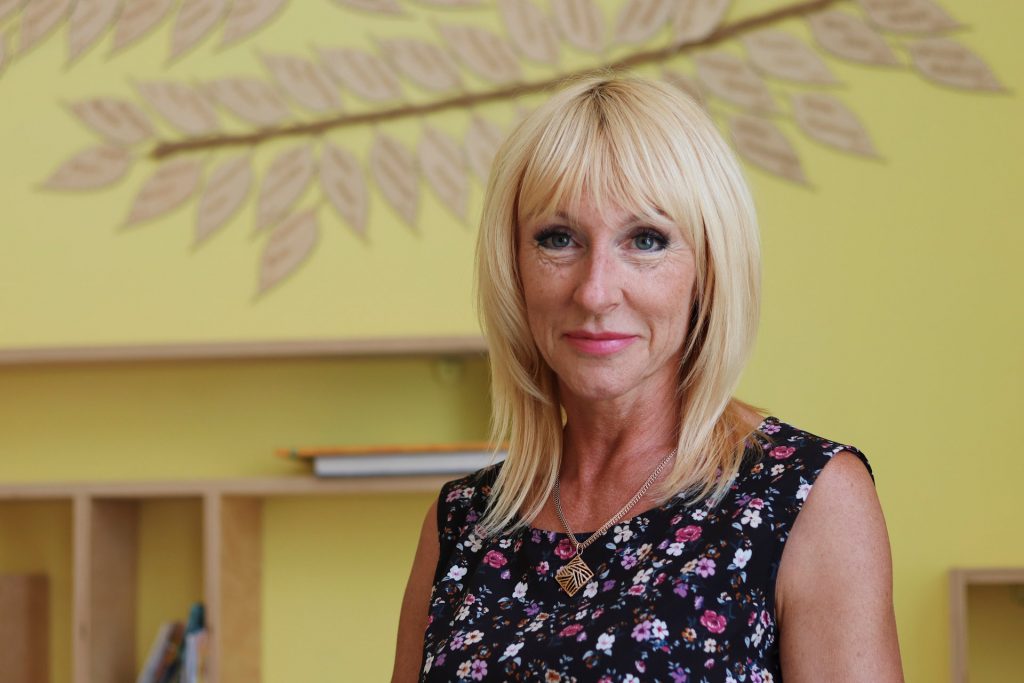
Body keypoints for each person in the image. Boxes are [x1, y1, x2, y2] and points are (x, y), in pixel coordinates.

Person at [392, 73, 903, 682]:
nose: (596, 290)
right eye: (558, 239)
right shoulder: (461, 521)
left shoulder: (808, 499)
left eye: (647, 240)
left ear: (708, 269)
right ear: (514, 267)